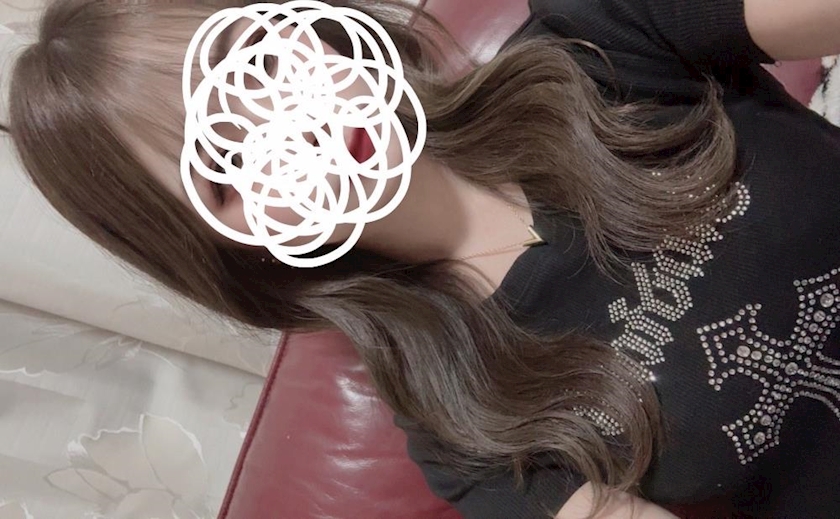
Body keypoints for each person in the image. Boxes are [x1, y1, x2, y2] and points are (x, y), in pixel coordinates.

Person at [4, 0, 840, 517]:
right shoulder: (465, 429)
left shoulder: (596, 40)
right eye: (225, 169)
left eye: (252, 67)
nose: (299, 129)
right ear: (217, 242)